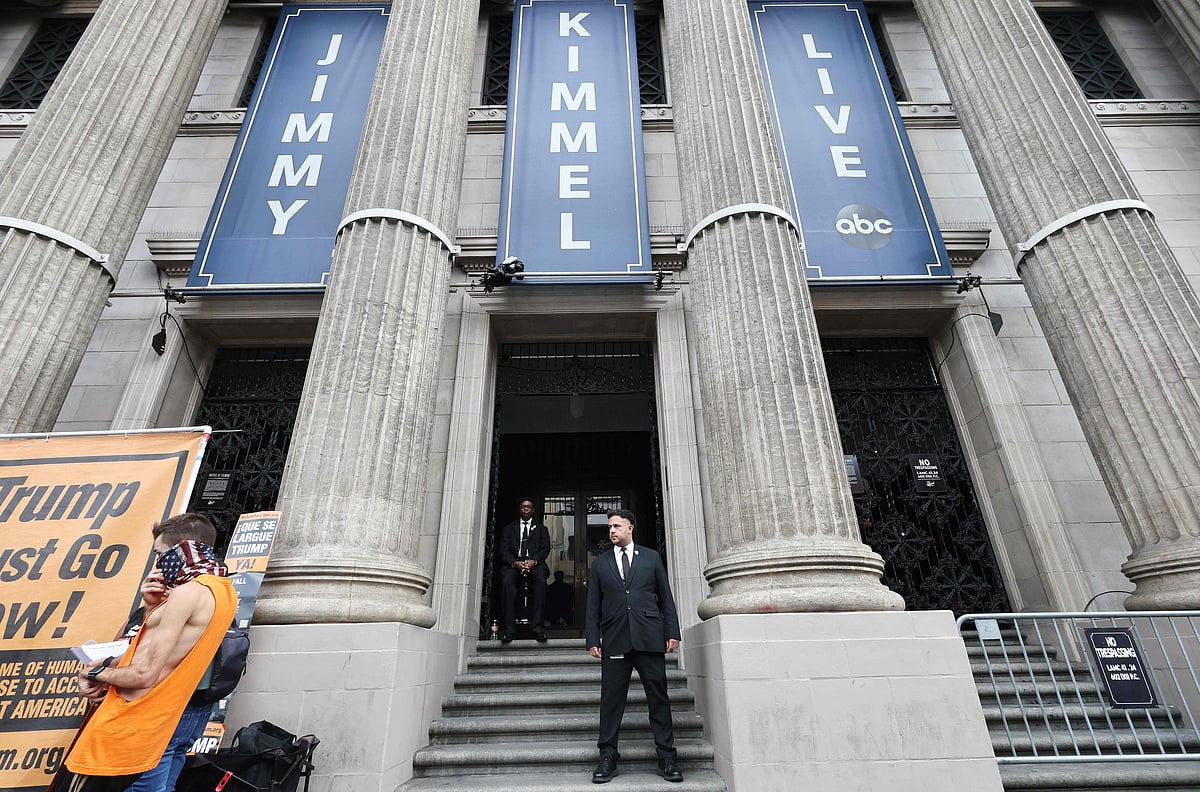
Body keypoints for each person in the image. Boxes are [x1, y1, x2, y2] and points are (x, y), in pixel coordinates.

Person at [58, 513, 238, 792]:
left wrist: (92, 671)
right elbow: (153, 652)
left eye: (160, 554)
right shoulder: (223, 590)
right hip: (150, 724)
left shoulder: (188, 593)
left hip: (128, 726)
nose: (158, 564)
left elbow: (145, 673)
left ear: (180, 551)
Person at [585, 508, 682, 784]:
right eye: (609, 527)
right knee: (611, 701)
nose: (611, 531)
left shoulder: (651, 558)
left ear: (631, 528)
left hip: (650, 637)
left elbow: (665, 597)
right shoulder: (600, 564)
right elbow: (592, 604)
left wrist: (671, 631)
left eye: (617, 526)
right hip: (616, 639)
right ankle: (607, 757)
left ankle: (667, 757)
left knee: (658, 699)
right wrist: (593, 638)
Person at [497, 498, 550, 642]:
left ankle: (538, 629)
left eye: (529, 507)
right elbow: (504, 549)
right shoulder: (509, 529)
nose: (526, 509)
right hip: (514, 564)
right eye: (523, 507)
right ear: (519, 509)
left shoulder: (541, 529)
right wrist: (515, 563)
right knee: (507, 582)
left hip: (535, 565)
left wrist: (533, 561)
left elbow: (545, 549)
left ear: (533, 510)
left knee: (540, 582)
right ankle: (509, 630)